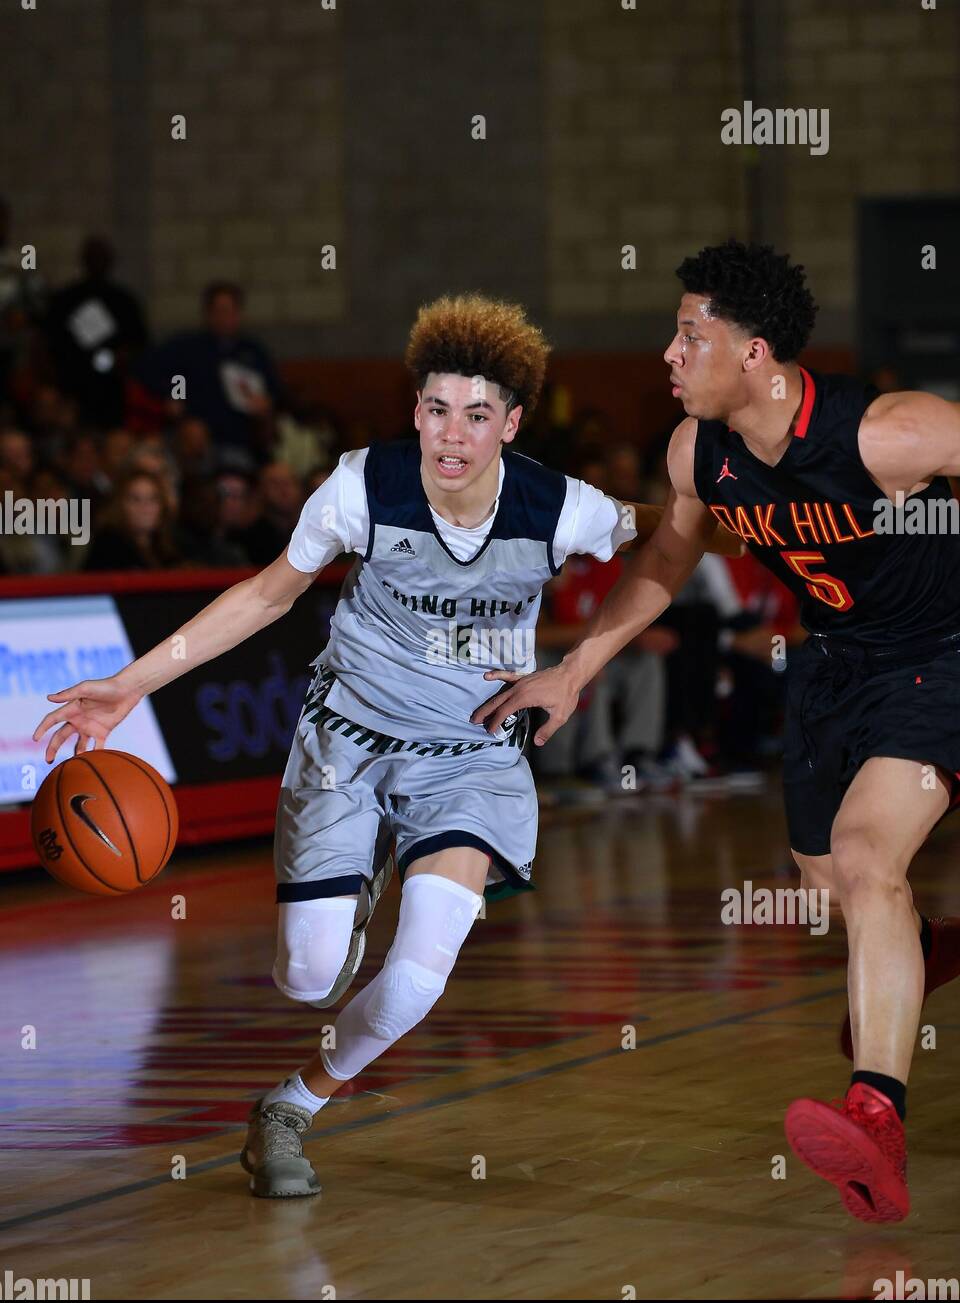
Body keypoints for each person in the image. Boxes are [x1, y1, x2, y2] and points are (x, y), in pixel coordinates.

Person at [33, 292, 736, 1200]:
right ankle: (355, 879)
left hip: (473, 749)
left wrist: (589, 659)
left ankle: (291, 1107)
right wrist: (131, 684)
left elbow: (680, 535)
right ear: (415, 411)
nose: (453, 434)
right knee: (308, 975)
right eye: (437, 409)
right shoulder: (364, 485)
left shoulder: (556, 505)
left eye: (478, 415)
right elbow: (265, 594)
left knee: (416, 975)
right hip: (350, 735)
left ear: (511, 423)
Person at [474, 240, 960, 1226]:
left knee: (870, 858)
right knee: (830, 876)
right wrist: (575, 668)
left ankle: (880, 1120)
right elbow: (663, 554)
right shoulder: (700, 453)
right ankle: (920, 947)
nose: (668, 351)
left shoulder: (887, 433)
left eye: (690, 334)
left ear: (756, 354)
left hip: (938, 653)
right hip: (832, 665)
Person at [134, 281, 282, 464]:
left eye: (230, 311)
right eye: (219, 311)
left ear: (239, 313)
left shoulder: (253, 352)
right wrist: (173, 395)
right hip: (196, 435)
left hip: (242, 438)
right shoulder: (186, 348)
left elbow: (275, 392)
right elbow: (147, 370)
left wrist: (264, 405)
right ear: (207, 313)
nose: (224, 317)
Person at [45, 235, 149, 429]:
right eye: (93, 257)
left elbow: (139, 343)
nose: (97, 262)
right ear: (84, 260)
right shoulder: (66, 299)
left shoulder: (123, 300)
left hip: (111, 386)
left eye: (102, 257)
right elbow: (50, 341)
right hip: (72, 383)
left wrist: (121, 358)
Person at [83, 468, 182, 571]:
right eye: (135, 499)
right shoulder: (107, 548)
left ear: (162, 506)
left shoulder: (169, 548)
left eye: (153, 499)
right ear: (121, 505)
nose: (145, 507)